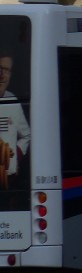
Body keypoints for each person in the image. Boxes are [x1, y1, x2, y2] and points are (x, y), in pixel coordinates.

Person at [0, 50, 32, 191]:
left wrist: (16, 154)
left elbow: (27, 135)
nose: (2, 75)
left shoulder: (12, 100)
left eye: (6, 70)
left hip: (8, 180)